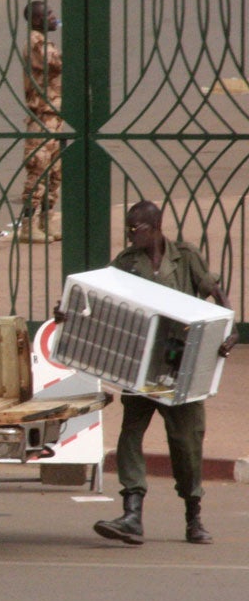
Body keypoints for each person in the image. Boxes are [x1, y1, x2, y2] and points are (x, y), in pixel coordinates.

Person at [60, 201, 238, 545]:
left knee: (186, 444)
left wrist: (229, 329)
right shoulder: (126, 263)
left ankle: (193, 515)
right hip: (139, 363)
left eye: (136, 229)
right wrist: (68, 312)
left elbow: (214, 293)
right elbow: (99, 298)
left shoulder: (185, 257)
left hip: (180, 363)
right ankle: (132, 514)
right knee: (131, 434)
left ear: (155, 227)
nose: (130, 235)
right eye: (128, 228)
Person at [18, 0, 63, 244]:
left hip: (54, 115)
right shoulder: (36, 41)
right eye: (48, 14)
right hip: (43, 117)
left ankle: (46, 222)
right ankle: (28, 226)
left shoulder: (44, 41)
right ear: (36, 20)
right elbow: (56, 64)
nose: (54, 17)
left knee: (54, 175)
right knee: (38, 172)